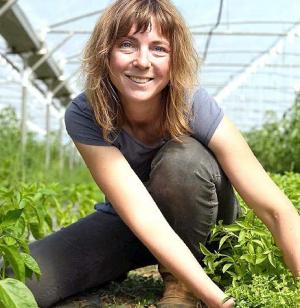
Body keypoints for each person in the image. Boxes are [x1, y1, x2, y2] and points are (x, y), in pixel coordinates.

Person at [25, 0, 300, 307]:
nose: (142, 61)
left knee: (181, 161)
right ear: (105, 53)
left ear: (175, 58)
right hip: (136, 223)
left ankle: (182, 284)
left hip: (204, 225)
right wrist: (220, 302)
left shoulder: (193, 104)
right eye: (127, 45)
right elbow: (140, 214)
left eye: (159, 48)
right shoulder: (85, 113)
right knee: (20, 277)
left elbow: (277, 210)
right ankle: (116, 268)